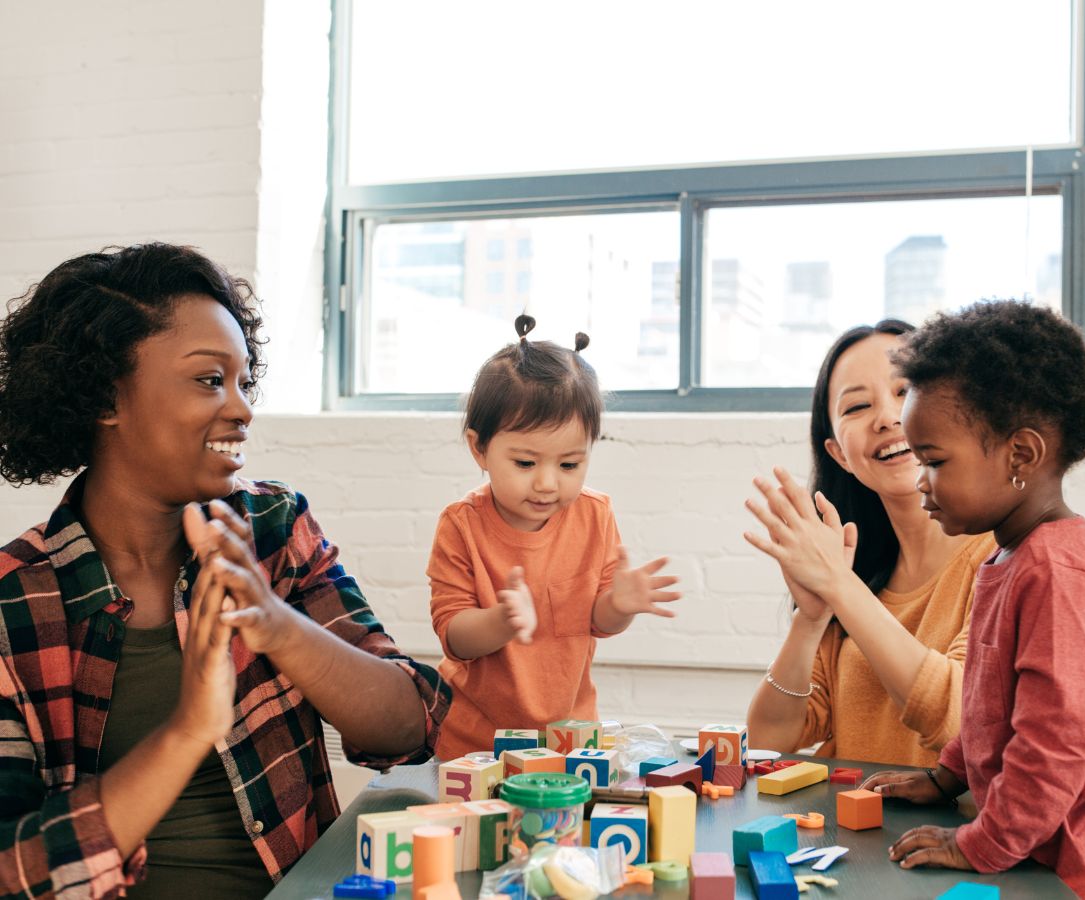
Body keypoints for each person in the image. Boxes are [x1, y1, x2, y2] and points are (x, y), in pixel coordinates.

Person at [0, 244, 450, 898]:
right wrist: (188, 730)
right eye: (210, 380)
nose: (241, 409)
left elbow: (411, 726)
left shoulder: (273, 527)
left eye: (244, 381)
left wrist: (277, 624)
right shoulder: (15, 603)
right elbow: (12, 870)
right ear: (105, 397)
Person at [855, 300, 1085, 899]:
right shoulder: (1010, 555)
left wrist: (979, 843)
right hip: (1060, 842)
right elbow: (994, 703)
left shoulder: (1058, 572)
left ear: (1021, 455)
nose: (920, 481)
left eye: (934, 461)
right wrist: (948, 775)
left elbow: (1054, 745)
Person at [427, 315, 681, 761]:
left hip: (572, 741)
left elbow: (598, 622)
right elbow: (453, 635)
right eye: (525, 463)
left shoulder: (595, 515)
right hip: (475, 746)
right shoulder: (461, 525)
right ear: (479, 449)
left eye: (569, 465)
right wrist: (501, 622)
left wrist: (619, 606)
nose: (548, 484)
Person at [745, 321, 994, 767]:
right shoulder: (857, 573)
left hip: (949, 838)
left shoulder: (999, 559)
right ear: (839, 454)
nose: (886, 417)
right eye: (858, 406)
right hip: (853, 835)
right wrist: (812, 618)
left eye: (905, 391)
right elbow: (768, 740)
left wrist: (839, 585)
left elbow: (960, 722)